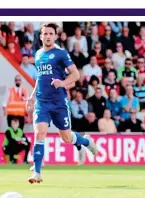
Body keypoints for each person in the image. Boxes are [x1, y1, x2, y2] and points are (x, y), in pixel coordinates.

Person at [26, 23, 99, 183]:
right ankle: (37, 173)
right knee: (39, 133)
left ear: (55, 36)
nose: (48, 36)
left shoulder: (60, 53)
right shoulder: (38, 54)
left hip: (59, 103)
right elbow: (40, 77)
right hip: (42, 102)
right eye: (45, 33)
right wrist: (32, 96)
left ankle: (86, 142)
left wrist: (62, 83)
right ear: (41, 36)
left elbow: (76, 74)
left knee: (66, 137)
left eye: (51, 33)